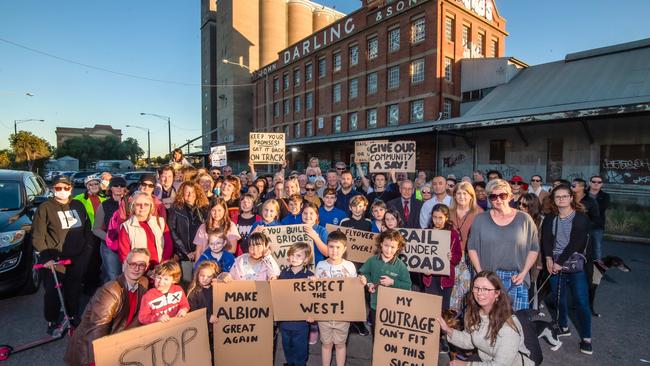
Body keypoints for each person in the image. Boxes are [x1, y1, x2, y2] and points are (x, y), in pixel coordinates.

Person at [63, 248, 151, 365]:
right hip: (89, 352)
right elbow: (97, 330)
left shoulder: (143, 284)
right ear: (125, 263)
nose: (136, 268)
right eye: (132, 263)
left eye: (141, 265)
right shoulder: (110, 292)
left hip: (117, 345)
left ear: (147, 267)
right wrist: (97, 361)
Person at [32, 176, 94, 331]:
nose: (62, 191)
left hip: (78, 256)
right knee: (53, 291)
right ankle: (52, 319)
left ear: (71, 189)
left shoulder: (78, 205)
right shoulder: (45, 207)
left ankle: (72, 315)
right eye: (58, 188)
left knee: (74, 288)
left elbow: (87, 227)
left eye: (66, 188)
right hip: (55, 259)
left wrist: (87, 249)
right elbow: (38, 235)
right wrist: (46, 257)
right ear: (53, 189)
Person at [468, 179, 539, 311]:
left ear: (510, 196)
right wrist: (481, 274)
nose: (498, 199)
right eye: (493, 196)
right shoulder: (480, 219)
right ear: (489, 198)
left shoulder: (525, 219)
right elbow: (472, 248)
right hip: (489, 279)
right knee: (489, 322)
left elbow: (534, 249)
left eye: (503, 195)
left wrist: (524, 273)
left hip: (517, 278)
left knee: (517, 324)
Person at [437, 271, 535, 366]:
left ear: (497, 293)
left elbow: (500, 364)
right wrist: (448, 330)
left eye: (486, 289)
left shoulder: (508, 327)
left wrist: (466, 364)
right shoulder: (474, 313)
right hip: (486, 359)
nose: (479, 293)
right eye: (476, 288)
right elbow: (470, 340)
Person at [541, 184, 593, 355]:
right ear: (554, 200)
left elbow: (576, 243)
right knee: (559, 298)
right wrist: (549, 258)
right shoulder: (550, 217)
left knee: (581, 302)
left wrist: (559, 261)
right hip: (555, 262)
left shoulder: (581, 218)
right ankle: (563, 326)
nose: (561, 199)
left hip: (575, 265)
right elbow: (546, 239)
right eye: (558, 196)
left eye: (564, 196)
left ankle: (586, 338)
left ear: (571, 198)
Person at [313, 231, 367, 366]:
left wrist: (361, 282)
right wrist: (312, 281)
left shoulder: (349, 266)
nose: (334, 250)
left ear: (344, 249)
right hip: (324, 315)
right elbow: (314, 292)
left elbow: (354, 290)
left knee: (340, 345)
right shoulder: (320, 265)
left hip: (343, 315)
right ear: (327, 246)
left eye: (338, 247)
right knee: (326, 344)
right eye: (331, 247)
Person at [359, 229, 412, 335]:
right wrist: (369, 283)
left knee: (390, 335)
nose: (388, 250)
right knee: (376, 333)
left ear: (398, 248)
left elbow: (407, 286)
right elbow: (363, 273)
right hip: (375, 305)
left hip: (393, 307)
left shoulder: (401, 266)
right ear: (381, 244)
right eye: (386, 245)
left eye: (393, 247)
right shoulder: (372, 260)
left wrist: (393, 282)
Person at [278, 242, 315, 366]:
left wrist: (312, 314)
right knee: (286, 347)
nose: (294, 258)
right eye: (292, 255)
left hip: (301, 323)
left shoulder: (310, 276)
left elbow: (314, 298)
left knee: (300, 349)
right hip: (285, 321)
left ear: (306, 259)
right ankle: (290, 363)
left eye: (299, 256)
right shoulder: (283, 274)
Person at [448, 182, 483, 311]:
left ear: (471, 196)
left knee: (467, 290)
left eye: (465, 193)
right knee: (452, 290)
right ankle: (451, 322)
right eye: (458, 193)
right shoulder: (448, 212)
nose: (461, 196)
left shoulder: (479, 213)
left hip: (470, 257)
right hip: (451, 257)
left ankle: (466, 319)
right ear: (454, 196)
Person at [118, 192, 174, 269]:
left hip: (159, 270)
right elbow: (124, 254)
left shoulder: (160, 222)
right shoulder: (127, 226)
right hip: (137, 271)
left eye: (146, 204)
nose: (142, 207)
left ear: (151, 206)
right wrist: (137, 269)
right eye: (138, 204)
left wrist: (161, 265)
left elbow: (169, 245)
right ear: (133, 206)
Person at [168, 182, 209, 276]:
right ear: (182, 193)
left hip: (202, 251)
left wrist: (198, 250)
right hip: (185, 254)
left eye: (193, 192)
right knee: (187, 280)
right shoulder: (175, 209)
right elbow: (173, 231)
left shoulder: (204, 208)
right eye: (187, 192)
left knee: (202, 279)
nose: (190, 195)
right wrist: (187, 252)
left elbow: (208, 230)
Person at [427, 204, 462, 313]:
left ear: (446, 217)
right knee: (430, 308)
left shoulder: (453, 234)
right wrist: (423, 270)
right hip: (430, 278)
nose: (437, 221)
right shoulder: (425, 232)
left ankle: (442, 330)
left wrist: (452, 257)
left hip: (445, 279)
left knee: (443, 309)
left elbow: (458, 256)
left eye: (440, 218)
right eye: (434, 217)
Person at [93, 176, 127, 282]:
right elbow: (96, 228)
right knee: (114, 277)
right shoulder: (104, 205)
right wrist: (109, 238)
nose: (119, 188)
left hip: (127, 245)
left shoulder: (130, 203)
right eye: (116, 185)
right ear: (110, 188)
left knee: (128, 276)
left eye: (122, 186)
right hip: (110, 247)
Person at [187, 260, 220, 356]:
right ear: (197, 274)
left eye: (209, 276)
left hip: (216, 327)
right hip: (202, 328)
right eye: (202, 275)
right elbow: (193, 311)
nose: (205, 279)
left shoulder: (216, 288)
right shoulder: (193, 291)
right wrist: (208, 317)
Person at [588, 175, 609, 261]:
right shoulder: (583, 194)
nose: (596, 184)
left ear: (602, 184)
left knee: (597, 248)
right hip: (582, 225)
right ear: (589, 183)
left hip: (597, 226)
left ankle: (597, 271)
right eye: (594, 182)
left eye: (599, 182)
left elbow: (601, 209)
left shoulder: (605, 196)